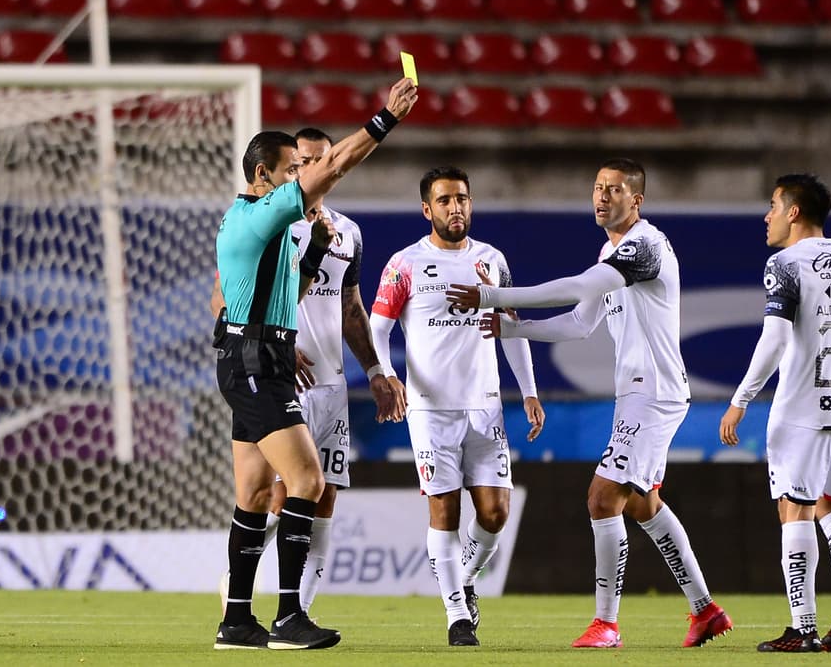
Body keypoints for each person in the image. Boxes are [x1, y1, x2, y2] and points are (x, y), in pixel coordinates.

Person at [446, 158, 732, 650]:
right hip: (638, 393)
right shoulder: (611, 249)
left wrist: (493, 296)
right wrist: (516, 328)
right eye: (597, 188)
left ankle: (607, 624)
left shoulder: (645, 246)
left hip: (655, 392)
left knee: (602, 498)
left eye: (614, 190)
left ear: (635, 201)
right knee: (643, 504)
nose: (601, 197)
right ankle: (704, 609)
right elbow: (580, 322)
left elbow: (579, 287)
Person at [213, 78, 417, 651]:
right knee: (307, 480)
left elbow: (292, 293)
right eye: (287, 171)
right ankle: (287, 617)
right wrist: (384, 119)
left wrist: (319, 255)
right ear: (263, 176)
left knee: (253, 492)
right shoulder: (259, 213)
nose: (294, 179)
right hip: (257, 357)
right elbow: (336, 167)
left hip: (254, 353)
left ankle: (235, 620)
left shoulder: (266, 229)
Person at [369, 166, 544, 647]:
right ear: (428, 209)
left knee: (494, 514)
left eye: (462, 199)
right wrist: (384, 374)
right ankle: (455, 617)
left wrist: (528, 389)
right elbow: (377, 328)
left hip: (485, 406)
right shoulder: (404, 264)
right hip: (430, 410)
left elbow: (510, 326)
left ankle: (464, 578)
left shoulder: (492, 260)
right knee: (443, 513)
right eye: (445, 200)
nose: (455, 208)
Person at [718, 174, 831, 653]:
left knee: (794, 507)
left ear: (793, 212)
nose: (767, 215)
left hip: (801, 406)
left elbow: (773, 338)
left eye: (773, 205)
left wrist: (741, 399)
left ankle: (803, 627)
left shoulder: (786, 263)